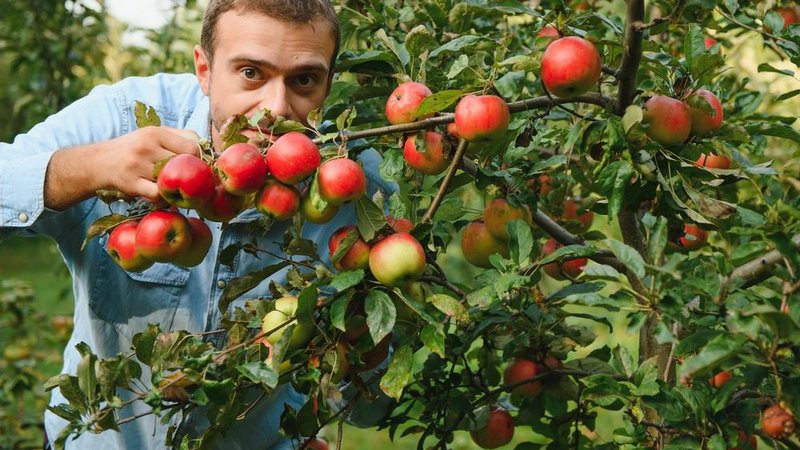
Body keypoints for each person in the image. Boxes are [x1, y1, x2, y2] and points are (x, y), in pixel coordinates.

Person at [0, 1, 393, 449]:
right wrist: (88, 168)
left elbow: (372, 409)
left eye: (304, 79)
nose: (276, 108)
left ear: (328, 82)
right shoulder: (122, 118)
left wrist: (362, 334)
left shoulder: (359, 190)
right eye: (250, 73)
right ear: (204, 70)